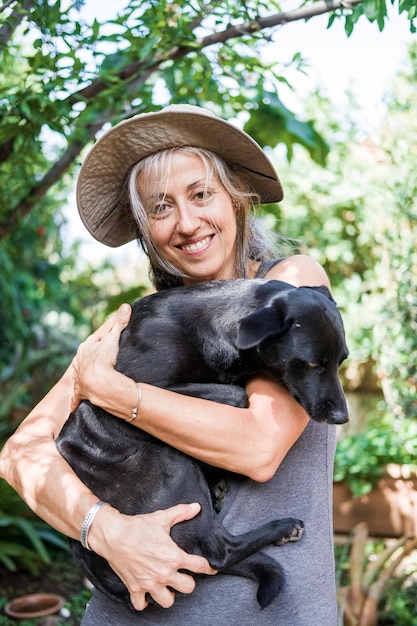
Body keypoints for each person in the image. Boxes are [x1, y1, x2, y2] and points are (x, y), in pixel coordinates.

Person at [0, 104, 339, 625]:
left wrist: (115, 394)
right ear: (145, 231)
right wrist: (106, 528)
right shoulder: (134, 327)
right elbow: (19, 454)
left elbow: (257, 447)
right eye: (160, 208)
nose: (186, 223)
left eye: (201, 194)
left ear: (237, 198)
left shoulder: (290, 290)